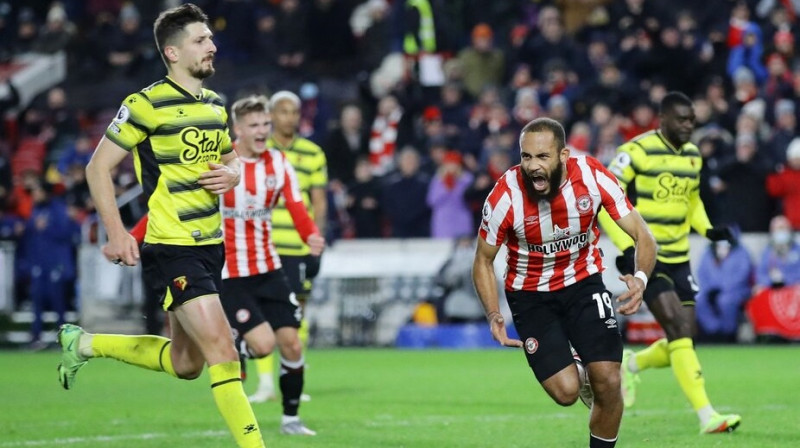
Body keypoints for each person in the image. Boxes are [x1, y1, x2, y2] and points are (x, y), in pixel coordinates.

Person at [57, 4, 265, 447]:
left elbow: (231, 163)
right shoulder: (144, 105)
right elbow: (97, 169)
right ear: (172, 52)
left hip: (211, 246)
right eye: (200, 40)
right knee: (224, 352)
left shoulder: (214, 104)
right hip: (172, 246)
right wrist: (116, 232)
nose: (212, 46)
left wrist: (233, 174)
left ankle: (85, 345)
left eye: (211, 38)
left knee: (187, 364)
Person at [472, 117, 657, 448]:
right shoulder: (505, 196)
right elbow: (483, 260)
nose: (532, 166)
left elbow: (644, 235)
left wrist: (641, 279)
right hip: (530, 296)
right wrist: (493, 313)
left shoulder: (592, 175)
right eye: (526, 157)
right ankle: (577, 369)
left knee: (609, 380)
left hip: (583, 284)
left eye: (542, 157)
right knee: (566, 392)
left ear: (563, 155)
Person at [599, 91, 742, 434]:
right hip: (649, 259)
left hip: (681, 258)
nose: (689, 125)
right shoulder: (636, 151)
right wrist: (626, 246)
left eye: (692, 119)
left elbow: (691, 200)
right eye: (682, 119)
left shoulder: (693, 156)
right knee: (678, 328)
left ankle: (631, 364)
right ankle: (707, 415)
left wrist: (707, 230)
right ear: (662, 120)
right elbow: (606, 199)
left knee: (685, 336)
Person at [222, 95, 324, 434]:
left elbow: (296, 205)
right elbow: (172, 201)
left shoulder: (278, 163)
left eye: (265, 124)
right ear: (237, 129)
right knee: (263, 345)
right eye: (254, 125)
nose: (263, 130)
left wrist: (311, 236)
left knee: (292, 343)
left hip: (269, 267)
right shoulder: (219, 163)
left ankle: (291, 419)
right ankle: (229, 344)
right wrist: (134, 235)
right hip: (231, 273)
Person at [247, 90, 328, 403]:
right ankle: (265, 382)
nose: (289, 117)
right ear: (270, 115)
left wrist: (316, 240)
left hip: (297, 246)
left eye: (293, 112)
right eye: (282, 111)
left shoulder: (313, 153)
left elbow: (318, 202)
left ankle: (292, 378)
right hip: (261, 244)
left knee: (296, 314)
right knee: (261, 314)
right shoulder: (257, 151)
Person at [695, 238, 753, 342]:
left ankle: (728, 334)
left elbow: (742, 275)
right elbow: (701, 274)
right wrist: (711, 289)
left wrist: (723, 288)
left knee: (725, 301)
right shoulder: (708, 253)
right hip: (711, 290)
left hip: (735, 291)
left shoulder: (741, 252)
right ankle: (712, 331)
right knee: (698, 299)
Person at [754, 215, 800, 293]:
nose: (780, 232)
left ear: (789, 230)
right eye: (778, 229)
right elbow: (760, 274)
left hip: (793, 288)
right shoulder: (767, 251)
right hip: (772, 288)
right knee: (758, 290)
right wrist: (771, 280)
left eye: (783, 228)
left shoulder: (797, 250)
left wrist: (784, 278)